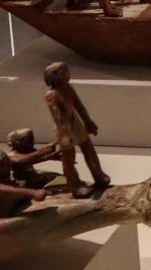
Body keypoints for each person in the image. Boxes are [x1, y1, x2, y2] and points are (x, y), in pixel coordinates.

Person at [44, 60, 107, 192]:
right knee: (69, 159)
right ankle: (75, 186)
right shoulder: (52, 95)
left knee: (89, 150)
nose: (69, 73)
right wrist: (66, 135)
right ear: (60, 75)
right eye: (66, 71)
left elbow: (79, 106)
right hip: (63, 129)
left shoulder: (68, 88)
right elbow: (58, 117)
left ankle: (98, 175)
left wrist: (88, 122)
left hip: (76, 123)